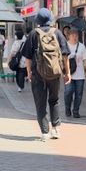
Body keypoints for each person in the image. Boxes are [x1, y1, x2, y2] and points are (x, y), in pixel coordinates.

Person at [22, 8, 70, 142]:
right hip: (55, 73)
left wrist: (29, 72)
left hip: (38, 74)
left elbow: (27, 57)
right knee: (54, 100)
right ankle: (56, 129)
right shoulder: (58, 33)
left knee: (40, 102)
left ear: (38, 20)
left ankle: (44, 132)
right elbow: (65, 55)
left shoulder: (33, 34)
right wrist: (67, 73)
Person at [64, 28, 86, 119]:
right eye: (73, 35)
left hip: (80, 75)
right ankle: (67, 108)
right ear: (69, 36)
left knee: (79, 94)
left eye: (76, 35)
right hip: (68, 74)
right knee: (68, 92)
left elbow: (85, 59)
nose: (75, 37)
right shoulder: (65, 46)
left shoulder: (82, 46)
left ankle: (75, 111)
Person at [7, 26, 27, 91]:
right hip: (24, 60)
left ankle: (20, 86)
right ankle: (21, 85)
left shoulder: (16, 43)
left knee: (19, 73)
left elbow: (12, 52)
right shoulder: (26, 41)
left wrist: (9, 60)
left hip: (17, 60)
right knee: (22, 72)